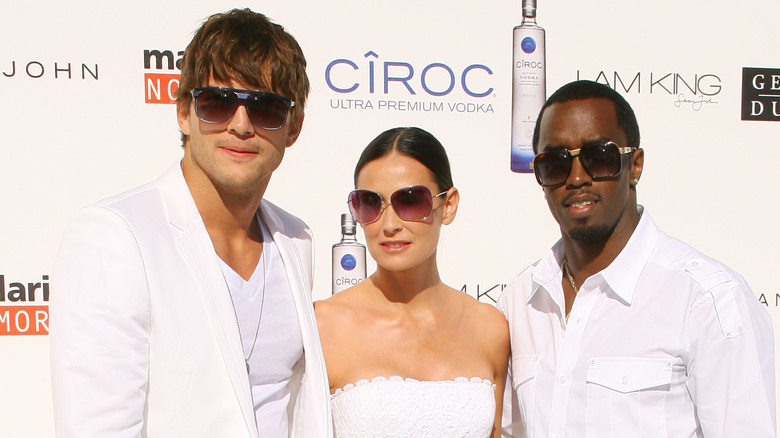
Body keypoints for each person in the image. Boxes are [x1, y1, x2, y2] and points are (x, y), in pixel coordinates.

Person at [49, 9, 331, 438]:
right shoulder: (115, 236)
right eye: (217, 103)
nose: (240, 125)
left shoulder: (297, 240)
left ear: (293, 128)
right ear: (184, 112)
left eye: (267, 108)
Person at [499, 80, 776, 437]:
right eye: (554, 164)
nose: (577, 178)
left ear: (636, 165)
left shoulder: (707, 301)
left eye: (599, 158)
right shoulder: (521, 302)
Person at [315, 127, 510, 438]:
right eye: (370, 202)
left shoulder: (491, 329)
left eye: (410, 200)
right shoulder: (323, 326)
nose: (389, 225)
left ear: (448, 205)